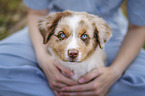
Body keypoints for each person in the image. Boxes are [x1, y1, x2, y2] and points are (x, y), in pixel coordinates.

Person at [0, 0, 145, 96]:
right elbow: (37, 13)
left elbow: (139, 27)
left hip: (107, 30)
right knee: (2, 63)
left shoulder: (102, 32)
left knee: (141, 83)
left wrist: (115, 71)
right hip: (55, 24)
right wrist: (43, 58)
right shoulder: (50, 27)